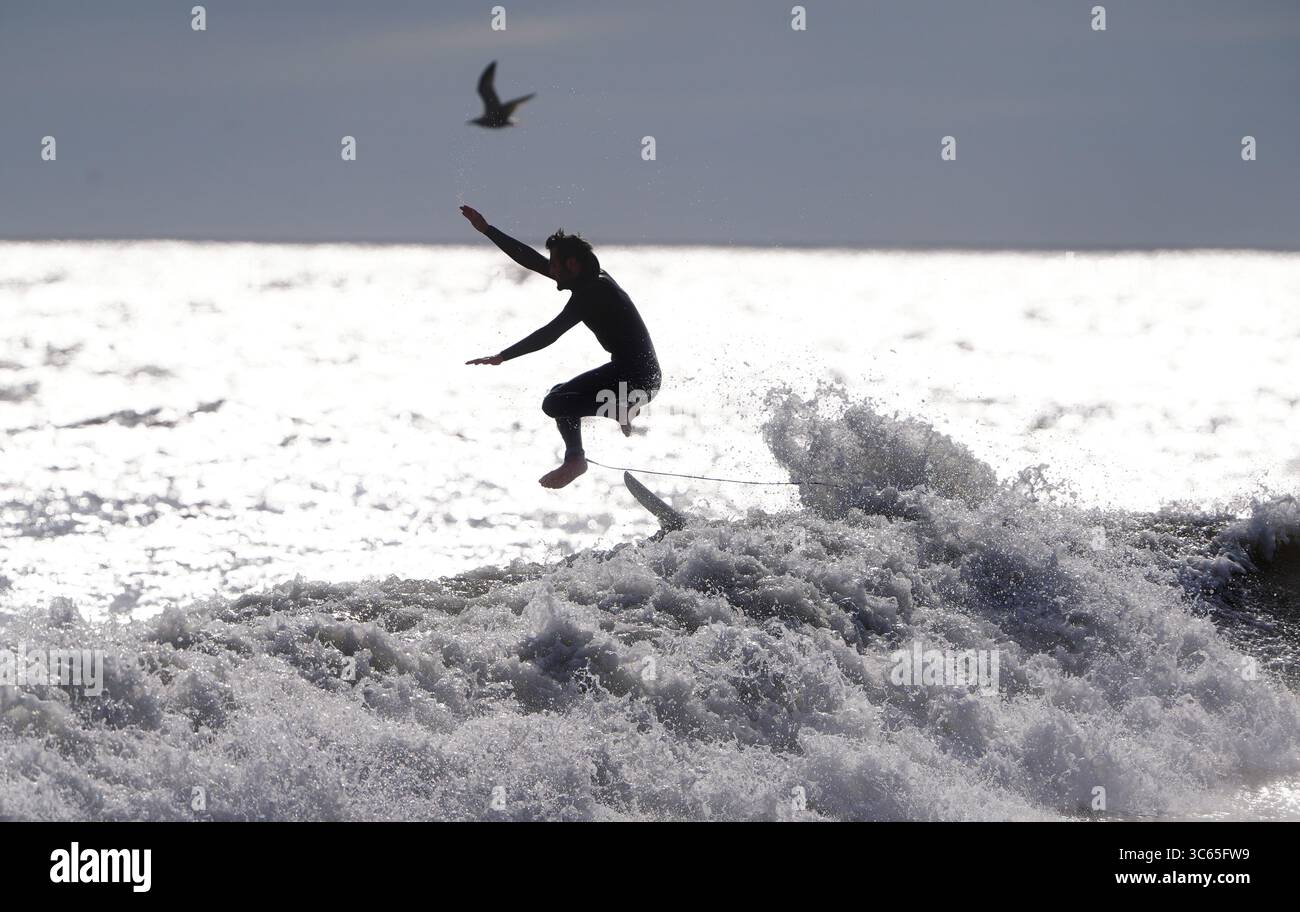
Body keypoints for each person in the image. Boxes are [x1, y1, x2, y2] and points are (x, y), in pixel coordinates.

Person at [461, 205, 662, 488]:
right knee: (559, 395)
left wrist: (503, 356)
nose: (550, 269)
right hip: (637, 375)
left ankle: (582, 452)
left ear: (573, 265)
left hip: (637, 379)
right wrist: (487, 230)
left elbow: (550, 333)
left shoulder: (592, 292)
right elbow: (531, 260)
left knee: (555, 403)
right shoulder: (592, 281)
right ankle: (597, 434)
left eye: (555, 264)